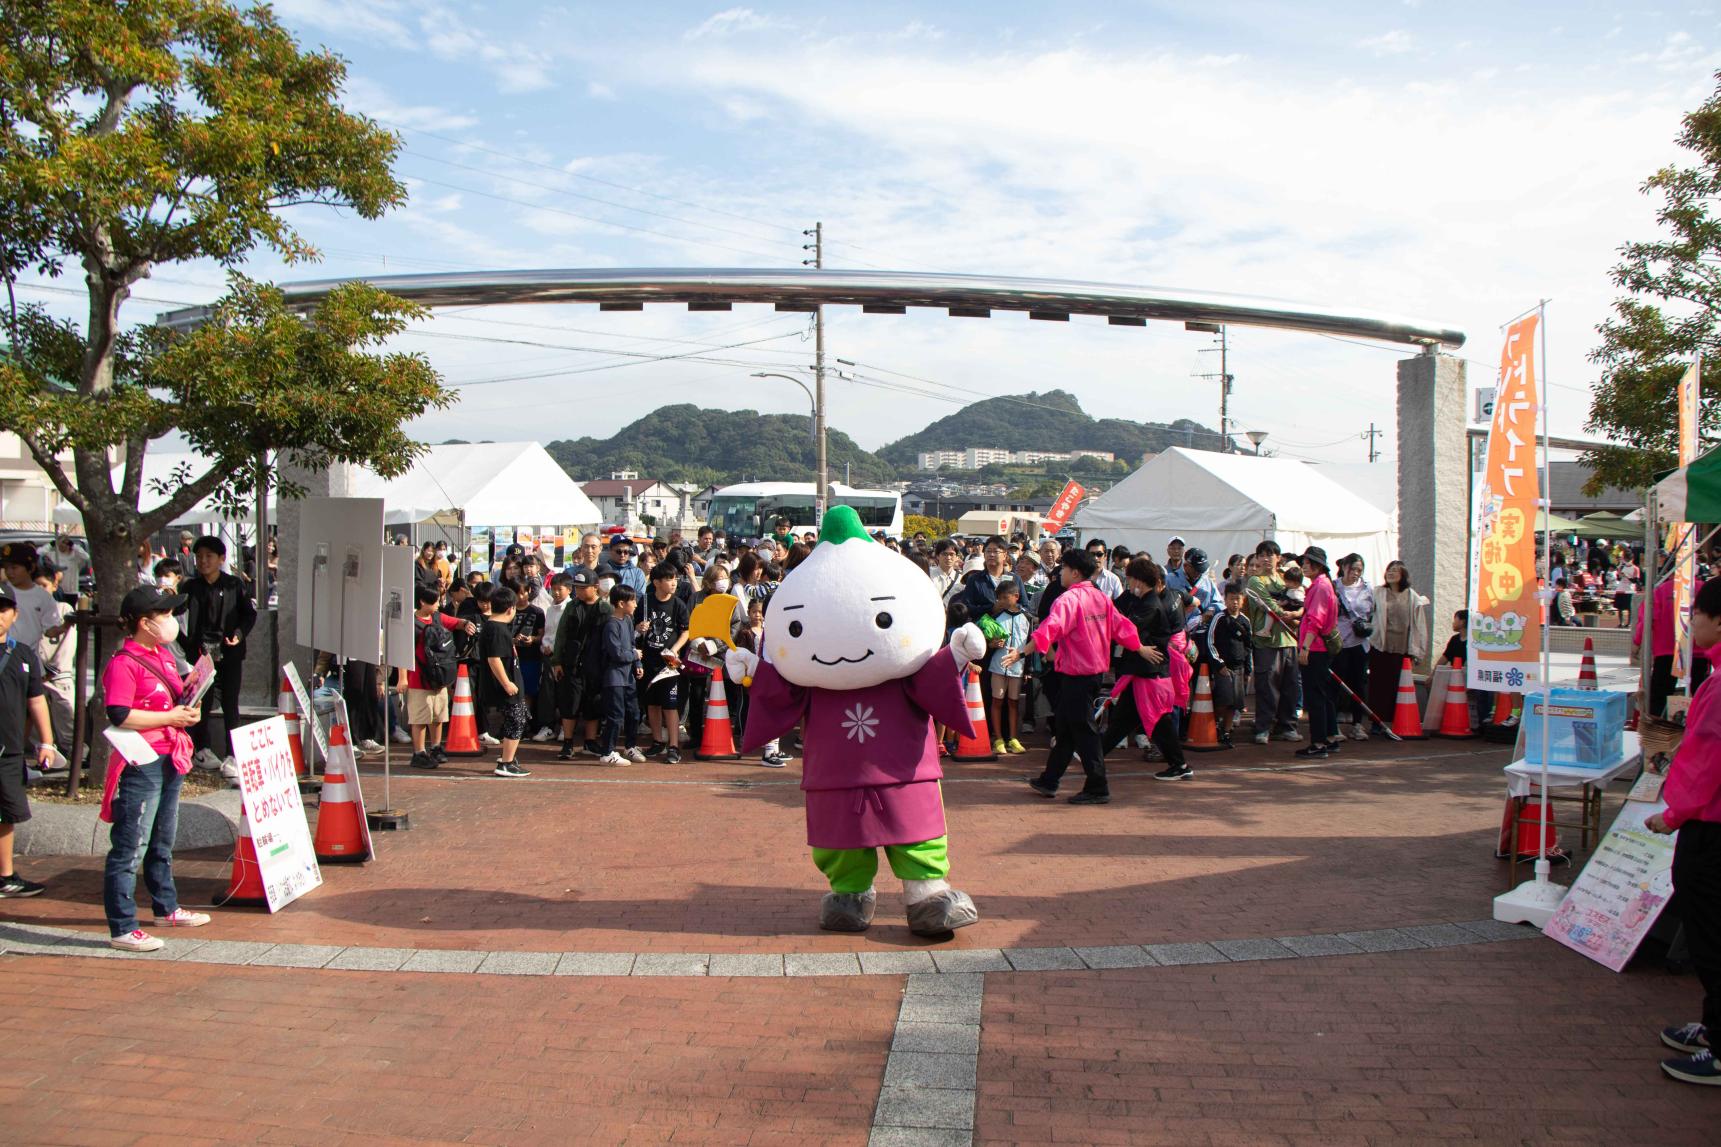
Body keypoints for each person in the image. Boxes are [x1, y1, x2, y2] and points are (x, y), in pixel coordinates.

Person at [98, 585, 211, 950]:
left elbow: (173, 698)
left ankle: (166, 907)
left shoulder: (163, 654)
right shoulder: (124, 662)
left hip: (170, 754)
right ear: (145, 623)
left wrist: (186, 709)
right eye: (163, 615)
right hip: (141, 759)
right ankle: (122, 925)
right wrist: (170, 715)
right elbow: (119, 713)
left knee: (162, 838)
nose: (171, 620)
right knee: (131, 844)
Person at [1647, 577, 1721, 1084]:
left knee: (1712, 936)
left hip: (1711, 829)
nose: (1690, 621)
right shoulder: (1715, 676)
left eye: (1696, 612)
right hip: (1706, 823)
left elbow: (1709, 762)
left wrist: (1672, 814)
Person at [1027, 549, 1143, 804]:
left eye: (1064, 569)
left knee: (1083, 730)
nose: (1060, 574)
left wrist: (1028, 648)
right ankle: (1050, 779)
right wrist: (1138, 645)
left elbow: (1052, 626)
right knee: (1068, 729)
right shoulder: (1101, 597)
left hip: (1077, 674)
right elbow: (1122, 627)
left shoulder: (1069, 599)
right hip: (1092, 673)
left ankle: (1097, 785)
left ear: (1075, 572)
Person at [1104, 557, 1192, 781]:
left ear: (1139, 580)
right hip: (1144, 673)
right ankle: (1093, 754)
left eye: (1131, 578)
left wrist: (1139, 648)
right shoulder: (1143, 601)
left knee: (1155, 721)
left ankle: (1179, 764)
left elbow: (1126, 630)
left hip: (1150, 674)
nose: (1128, 582)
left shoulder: (1150, 604)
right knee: (1132, 719)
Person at [177, 535, 257, 765]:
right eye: (199, 556)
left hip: (229, 652)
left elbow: (249, 614)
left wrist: (238, 635)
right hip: (201, 655)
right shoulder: (190, 587)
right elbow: (175, 617)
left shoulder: (234, 585)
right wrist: (188, 645)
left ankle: (233, 752)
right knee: (202, 700)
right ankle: (202, 749)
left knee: (231, 702)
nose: (203, 561)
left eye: (208, 556)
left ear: (221, 559)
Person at [0, 594, 56, 899]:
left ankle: (5, 876)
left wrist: (46, 742)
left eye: (3, 610)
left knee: (7, 813)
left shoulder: (22, 654)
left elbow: (36, 700)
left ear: (14, 614)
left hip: (8, 750)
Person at [405, 586, 473, 770]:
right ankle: (419, 753)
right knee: (420, 718)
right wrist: (402, 679)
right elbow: (403, 652)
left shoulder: (438, 617)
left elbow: (456, 622)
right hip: (419, 677)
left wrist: (465, 623)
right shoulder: (410, 623)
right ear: (422, 602)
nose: (438, 605)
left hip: (439, 676)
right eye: (434, 602)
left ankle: (435, 747)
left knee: (438, 716)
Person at [1244, 542, 1302, 745]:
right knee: (1267, 686)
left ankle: (1287, 726)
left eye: (1270, 555)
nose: (1266, 559)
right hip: (1265, 641)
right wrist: (1289, 613)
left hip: (1289, 640)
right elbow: (1268, 605)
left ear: (1278, 557)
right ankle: (1263, 728)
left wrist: (1297, 613)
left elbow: (1302, 598)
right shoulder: (1255, 581)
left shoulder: (1286, 578)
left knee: (1290, 686)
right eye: (1262, 555)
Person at [552, 568, 612, 759]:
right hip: (572, 662)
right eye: (576, 587)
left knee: (593, 703)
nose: (578, 591)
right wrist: (557, 661)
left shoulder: (605, 609)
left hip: (596, 664)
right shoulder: (572, 607)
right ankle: (568, 743)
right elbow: (561, 634)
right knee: (570, 703)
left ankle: (590, 741)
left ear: (595, 588)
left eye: (582, 587)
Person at [1365, 559, 1430, 732]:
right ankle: (1376, 722)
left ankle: (1396, 720)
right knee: (1378, 686)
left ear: (1403, 575)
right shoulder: (1378, 592)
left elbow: (1419, 625)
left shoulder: (1412, 596)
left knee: (1397, 686)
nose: (1391, 573)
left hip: (1402, 650)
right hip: (1379, 646)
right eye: (1389, 570)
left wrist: (1419, 650)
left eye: (1395, 570)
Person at [639, 561, 691, 762]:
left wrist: (674, 650)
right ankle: (657, 741)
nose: (674, 583)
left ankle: (673, 746)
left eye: (675, 579)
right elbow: (635, 627)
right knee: (652, 703)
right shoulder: (645, 602)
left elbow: (686, 630)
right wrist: (639, 628)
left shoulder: (678, 604)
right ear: (657, 582)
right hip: (649, 660)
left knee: (670, 705)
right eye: (669, 579)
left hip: (669, 663)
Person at [1295, 548, 1341, 758]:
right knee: (1322, 694)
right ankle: (1330, 737)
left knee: (1315, 697)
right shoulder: (1321, 585)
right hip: (1318, 647)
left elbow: (1316, 619)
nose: (1304, 565)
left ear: (1319, 565)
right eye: (1303, 561)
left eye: (1308, 562)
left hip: (1315, 648)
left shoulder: (1321, 586)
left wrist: (1305, 647)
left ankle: (1318, 743)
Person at [480, 586, 530, 777]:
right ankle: (506, 763)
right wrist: (506, 683)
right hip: (506, 687)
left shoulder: (496, 628)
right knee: (515, 721)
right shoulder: (496, 629)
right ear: (511, 608)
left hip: (510, 684)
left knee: (517, 719)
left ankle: (508, 757)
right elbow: (494, 659)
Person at [596, 585, 646, 766]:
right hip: (614, 677)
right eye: (632, 601)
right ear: (621, 603)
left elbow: (632, 644)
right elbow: (616, 653)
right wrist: (635, 656)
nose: (635, 604)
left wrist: (637, 664)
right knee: (616, 715)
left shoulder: (627, 620)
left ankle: (630, 746)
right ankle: (607, 751)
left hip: (628, 676)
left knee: (634, 712)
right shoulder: (611, 625)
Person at [1201, 585, 1253, 745]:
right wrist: (1219, 664)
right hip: (1223, 668)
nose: (1235, 602)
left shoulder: (1245, 621)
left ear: (1242, 600)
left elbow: (1249, 646)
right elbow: (1210, 642)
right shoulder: (1219, 618)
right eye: (1231, 599)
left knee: (1235, 703)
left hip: (1239, 668)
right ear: (1225, 600)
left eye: (1238, 599)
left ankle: (1226, 731)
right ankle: (1215, 724)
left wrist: (1248, 670)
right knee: (1223, 700)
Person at [987, 579, 1033, 755]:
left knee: (1014, 702)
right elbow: (987, 644)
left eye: (1006, 598)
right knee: (997, 700)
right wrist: (993, 644)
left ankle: (1013, 738)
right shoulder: (995, 617)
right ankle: (998, 738)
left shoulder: (1027, 618)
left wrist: (1028, 669)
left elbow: (1030, 645)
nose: (1002, 601)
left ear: (1016, 597)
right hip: (998, 666)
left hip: (1018, 667)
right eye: (1000, 598)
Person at [0, 542, 68, 658]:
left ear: (31, 568)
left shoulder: (43, 597)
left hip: (29, 659)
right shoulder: (3, 592)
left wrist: (66, 626)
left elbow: (50, 630)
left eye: (14, 568)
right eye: (6, 568)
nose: (9, 572)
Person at [1333, 554, 1375, 740]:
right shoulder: (1334, 587)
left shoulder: (1367, 589)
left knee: (1359, 683)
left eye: (1359, 570)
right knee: (1336, 682)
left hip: (1360, 643)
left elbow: (1373, 612)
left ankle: (1357, 724)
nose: (1355, 573)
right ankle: (1333, 725)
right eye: (1352, 569)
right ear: (1344, 567)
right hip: (1339, 642)